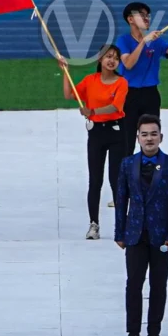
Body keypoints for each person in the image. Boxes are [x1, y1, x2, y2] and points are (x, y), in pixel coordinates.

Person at [114, 114, 168, 336]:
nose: (149, 138)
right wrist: (119, 233)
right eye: (144, 134)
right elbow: (121, 199)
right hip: (135, 235)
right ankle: (132, 334)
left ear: (161, 137)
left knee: (158, 285)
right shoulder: (126, 164)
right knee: (133, 284)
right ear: (138, 138)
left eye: (153, 134)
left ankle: (154, 334)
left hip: (161, 236)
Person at [58, 45, 128, 240]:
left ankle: (122, 225)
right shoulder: (91, 81)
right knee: (95, 180)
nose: (111, 60)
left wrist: (93, 112)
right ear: (100, 59)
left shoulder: (121, 83)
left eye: (115, 58)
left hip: (116, 132)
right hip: (96, 133)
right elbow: (69, 94)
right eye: (108, 57)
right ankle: (94, 224)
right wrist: (65, 72)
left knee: (116, 179)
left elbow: (116, 106)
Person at [116, 3, 168, 180]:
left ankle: (149, 180)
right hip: (129, 96)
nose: (146, 18)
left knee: (150, 137)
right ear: (130, 19)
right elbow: (128, 63)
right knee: (128, 140)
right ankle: (125, 186)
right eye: (141, 15)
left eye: (148, 15)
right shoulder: (123, 41)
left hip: (150, 95)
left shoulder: (156, 41)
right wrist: (143, 43)